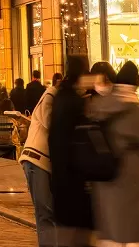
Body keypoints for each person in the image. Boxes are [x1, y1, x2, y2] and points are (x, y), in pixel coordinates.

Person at [87, 62, 139, 247]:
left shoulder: (99, 105)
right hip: (129, 172)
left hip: (103, 171)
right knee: (132, 228)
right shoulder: (135, 110)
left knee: (109, 225)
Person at [48, 56, 94, 244]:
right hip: (74, 176)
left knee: (66, 231)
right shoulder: (76, 101)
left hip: (59, 174)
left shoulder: (60, 96)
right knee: (79, 233)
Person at [20, 62, 59, 246]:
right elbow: (52, 124)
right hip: (37, 159)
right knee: (45, 212)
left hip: (44, 161)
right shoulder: (51, 95)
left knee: (49, 213)